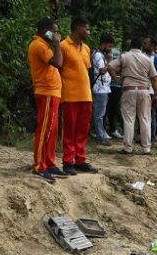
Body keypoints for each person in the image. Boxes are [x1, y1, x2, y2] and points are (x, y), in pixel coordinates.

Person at [27, 18, 65, 183]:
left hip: (53, 93)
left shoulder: (45, 45)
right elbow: (58, 62)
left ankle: (49, 162)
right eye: (54, 31)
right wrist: (57, 44)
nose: (57, 34)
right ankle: (39, 165)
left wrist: (55, 44)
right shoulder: (39, 45)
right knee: (45, 129)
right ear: (46, 31)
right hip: (46, 92)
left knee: (52, 129)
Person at [107, 36, 157, 155]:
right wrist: (156, 95)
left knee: (129, 119)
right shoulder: (147, 59)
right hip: (144, 90)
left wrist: (118, 80)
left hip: (128, 90)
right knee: (145, 119)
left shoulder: (124, 56)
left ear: (130, 46)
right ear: (141, 47)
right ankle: (146, 149)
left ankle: (128, 148)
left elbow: (110, 67)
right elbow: (154, 79)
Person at [58, 17, 96, 175]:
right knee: (69, 129)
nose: (88, 32)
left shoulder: (86, 48)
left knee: (82, 129)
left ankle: (80, 160)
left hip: (85, 95)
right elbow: (58, 69)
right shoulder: (63, 46)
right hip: (70, 95)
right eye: (86, 28)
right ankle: (68, 161)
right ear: (77, 28)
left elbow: (87, 70)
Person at [91, 33, 114, 145]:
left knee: (101, 113)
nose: (110, 50)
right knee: (99, 114)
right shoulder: (98, 55)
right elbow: (102, 71)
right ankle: (100, 136)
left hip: (104, 88)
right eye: (109, 46)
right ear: (104, 44)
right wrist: (109, 61)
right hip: (100, 89)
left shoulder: (100, 54)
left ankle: (101, 133)